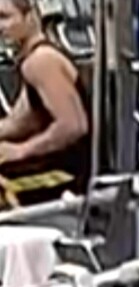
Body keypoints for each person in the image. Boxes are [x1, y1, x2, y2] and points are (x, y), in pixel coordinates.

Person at [0, 0, 90, 208]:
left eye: (5, 17)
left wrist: (21, 150)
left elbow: (74, 126)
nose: (0, 27)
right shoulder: (31, 60)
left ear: (30, 17)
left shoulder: (41, 61)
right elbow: (18, 122)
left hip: (67, 173)